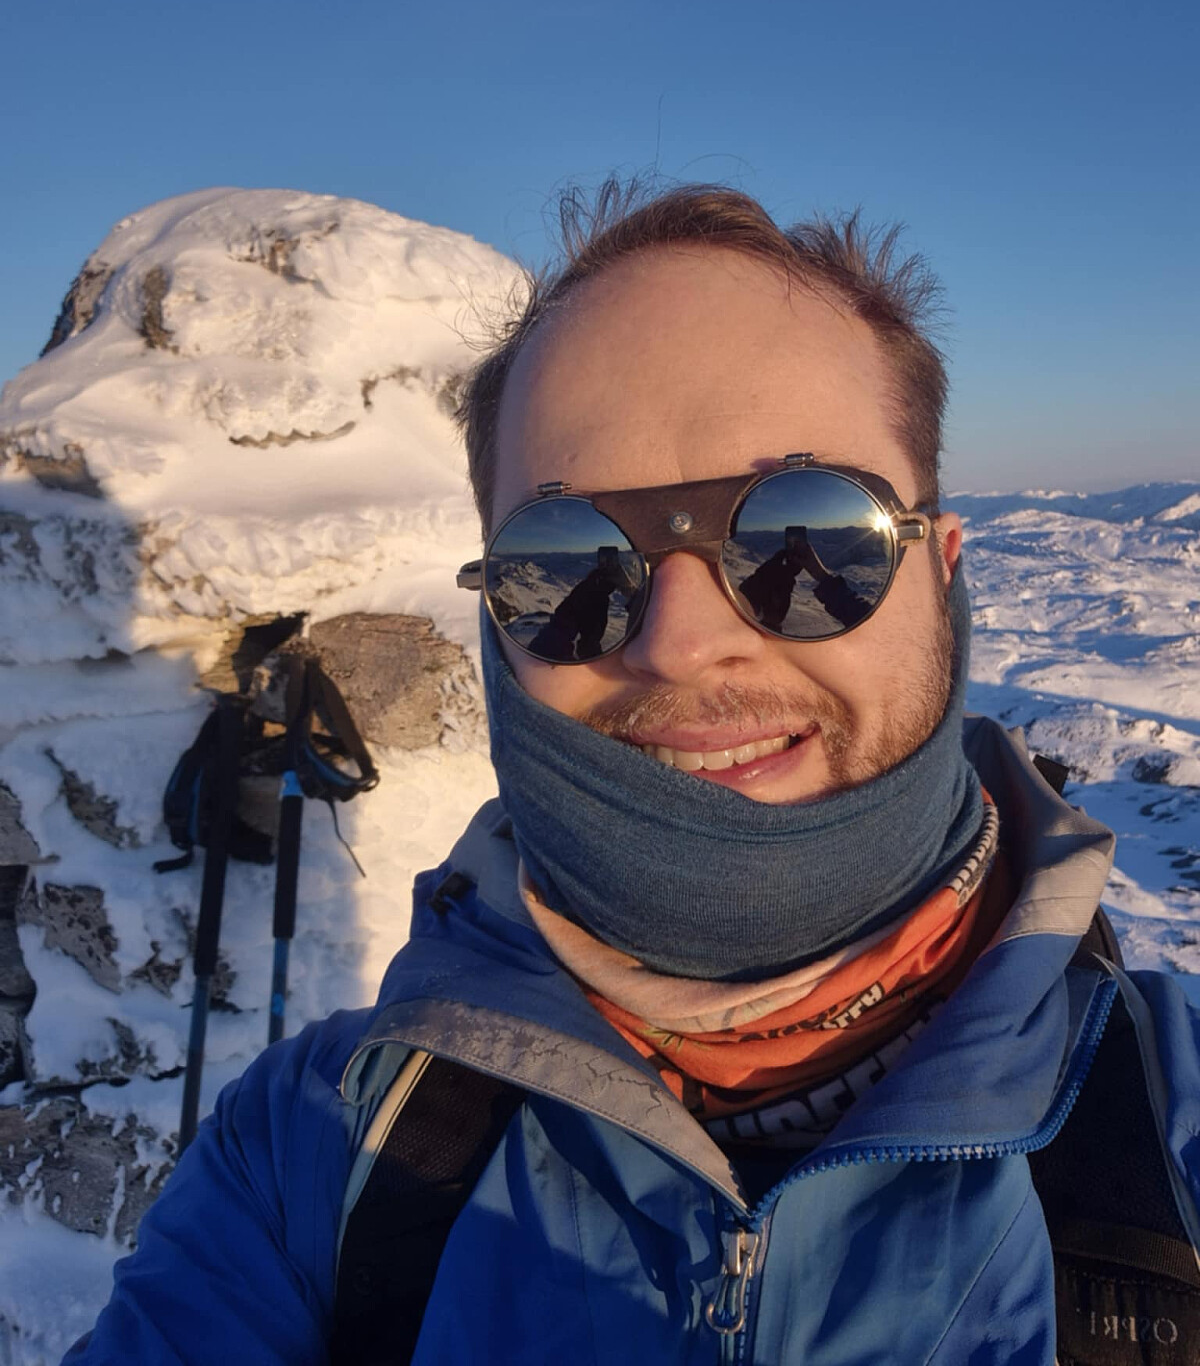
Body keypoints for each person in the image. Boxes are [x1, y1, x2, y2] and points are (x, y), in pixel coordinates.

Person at [67, 183, 1200, 1364]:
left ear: (942, 573)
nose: (680, 643)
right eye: (569, 567)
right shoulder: (313, 1152)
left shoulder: (1173, 1125)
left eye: (811, 536)